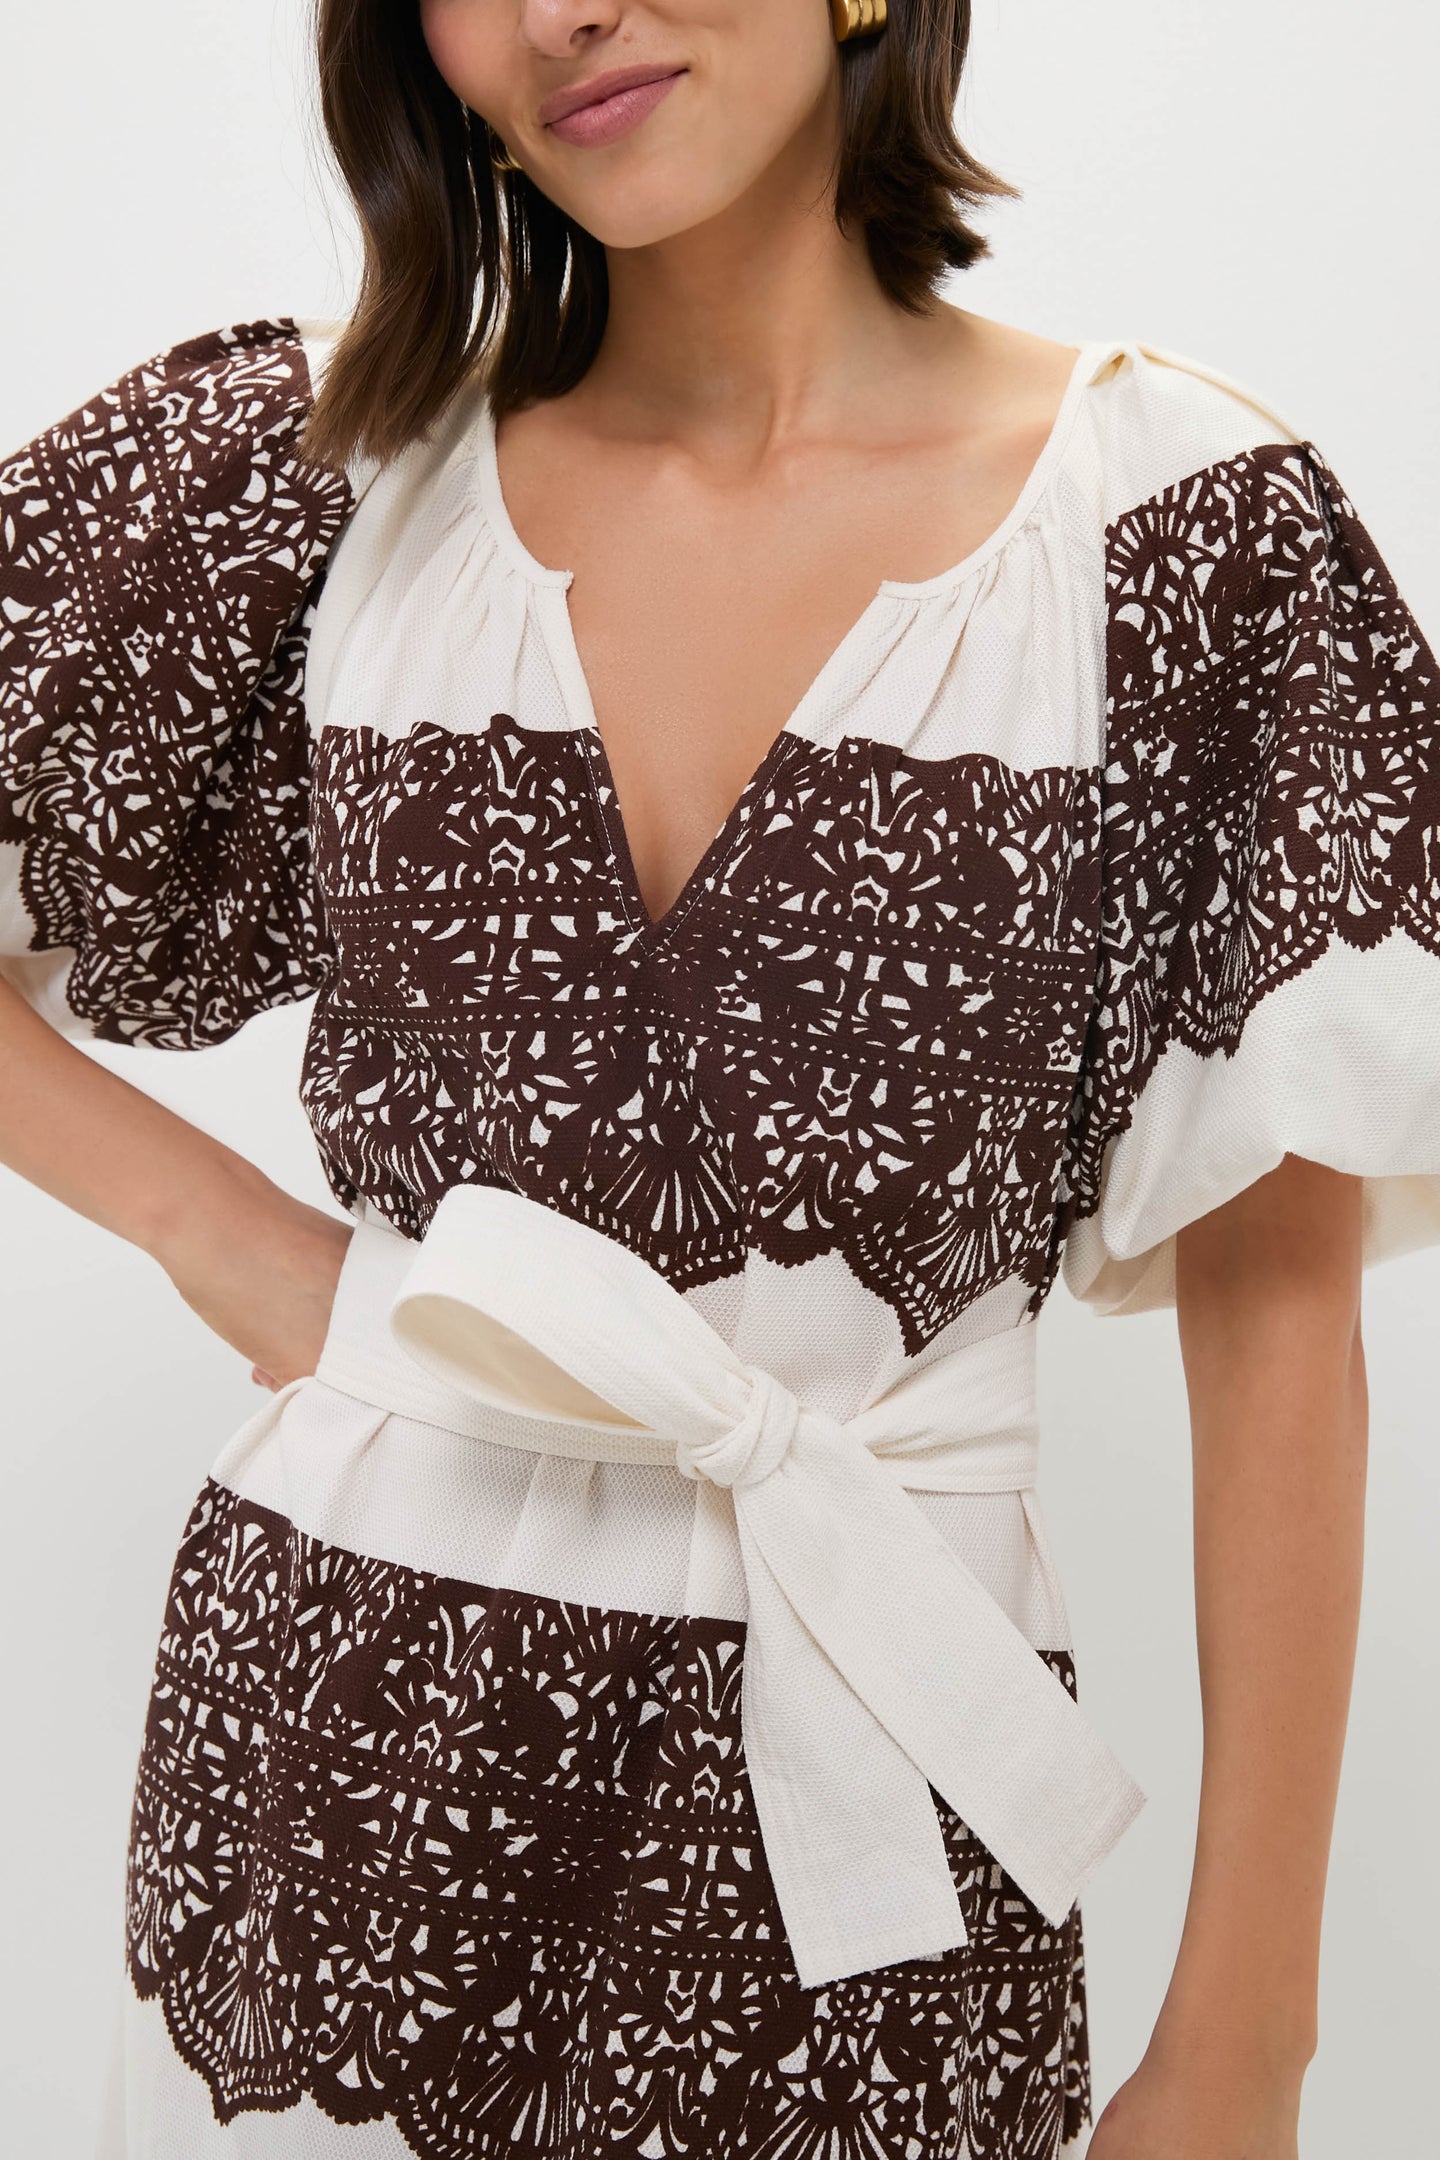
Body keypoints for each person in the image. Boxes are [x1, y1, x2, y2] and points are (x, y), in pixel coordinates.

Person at [1, 2, 1436, 2155]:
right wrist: (237, 1245)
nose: (559, 8)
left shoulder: (1181, 539)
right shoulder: (309, 483)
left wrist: (1246, 2038)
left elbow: (1278, 1319)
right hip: (338, 1777)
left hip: (877, 1782)